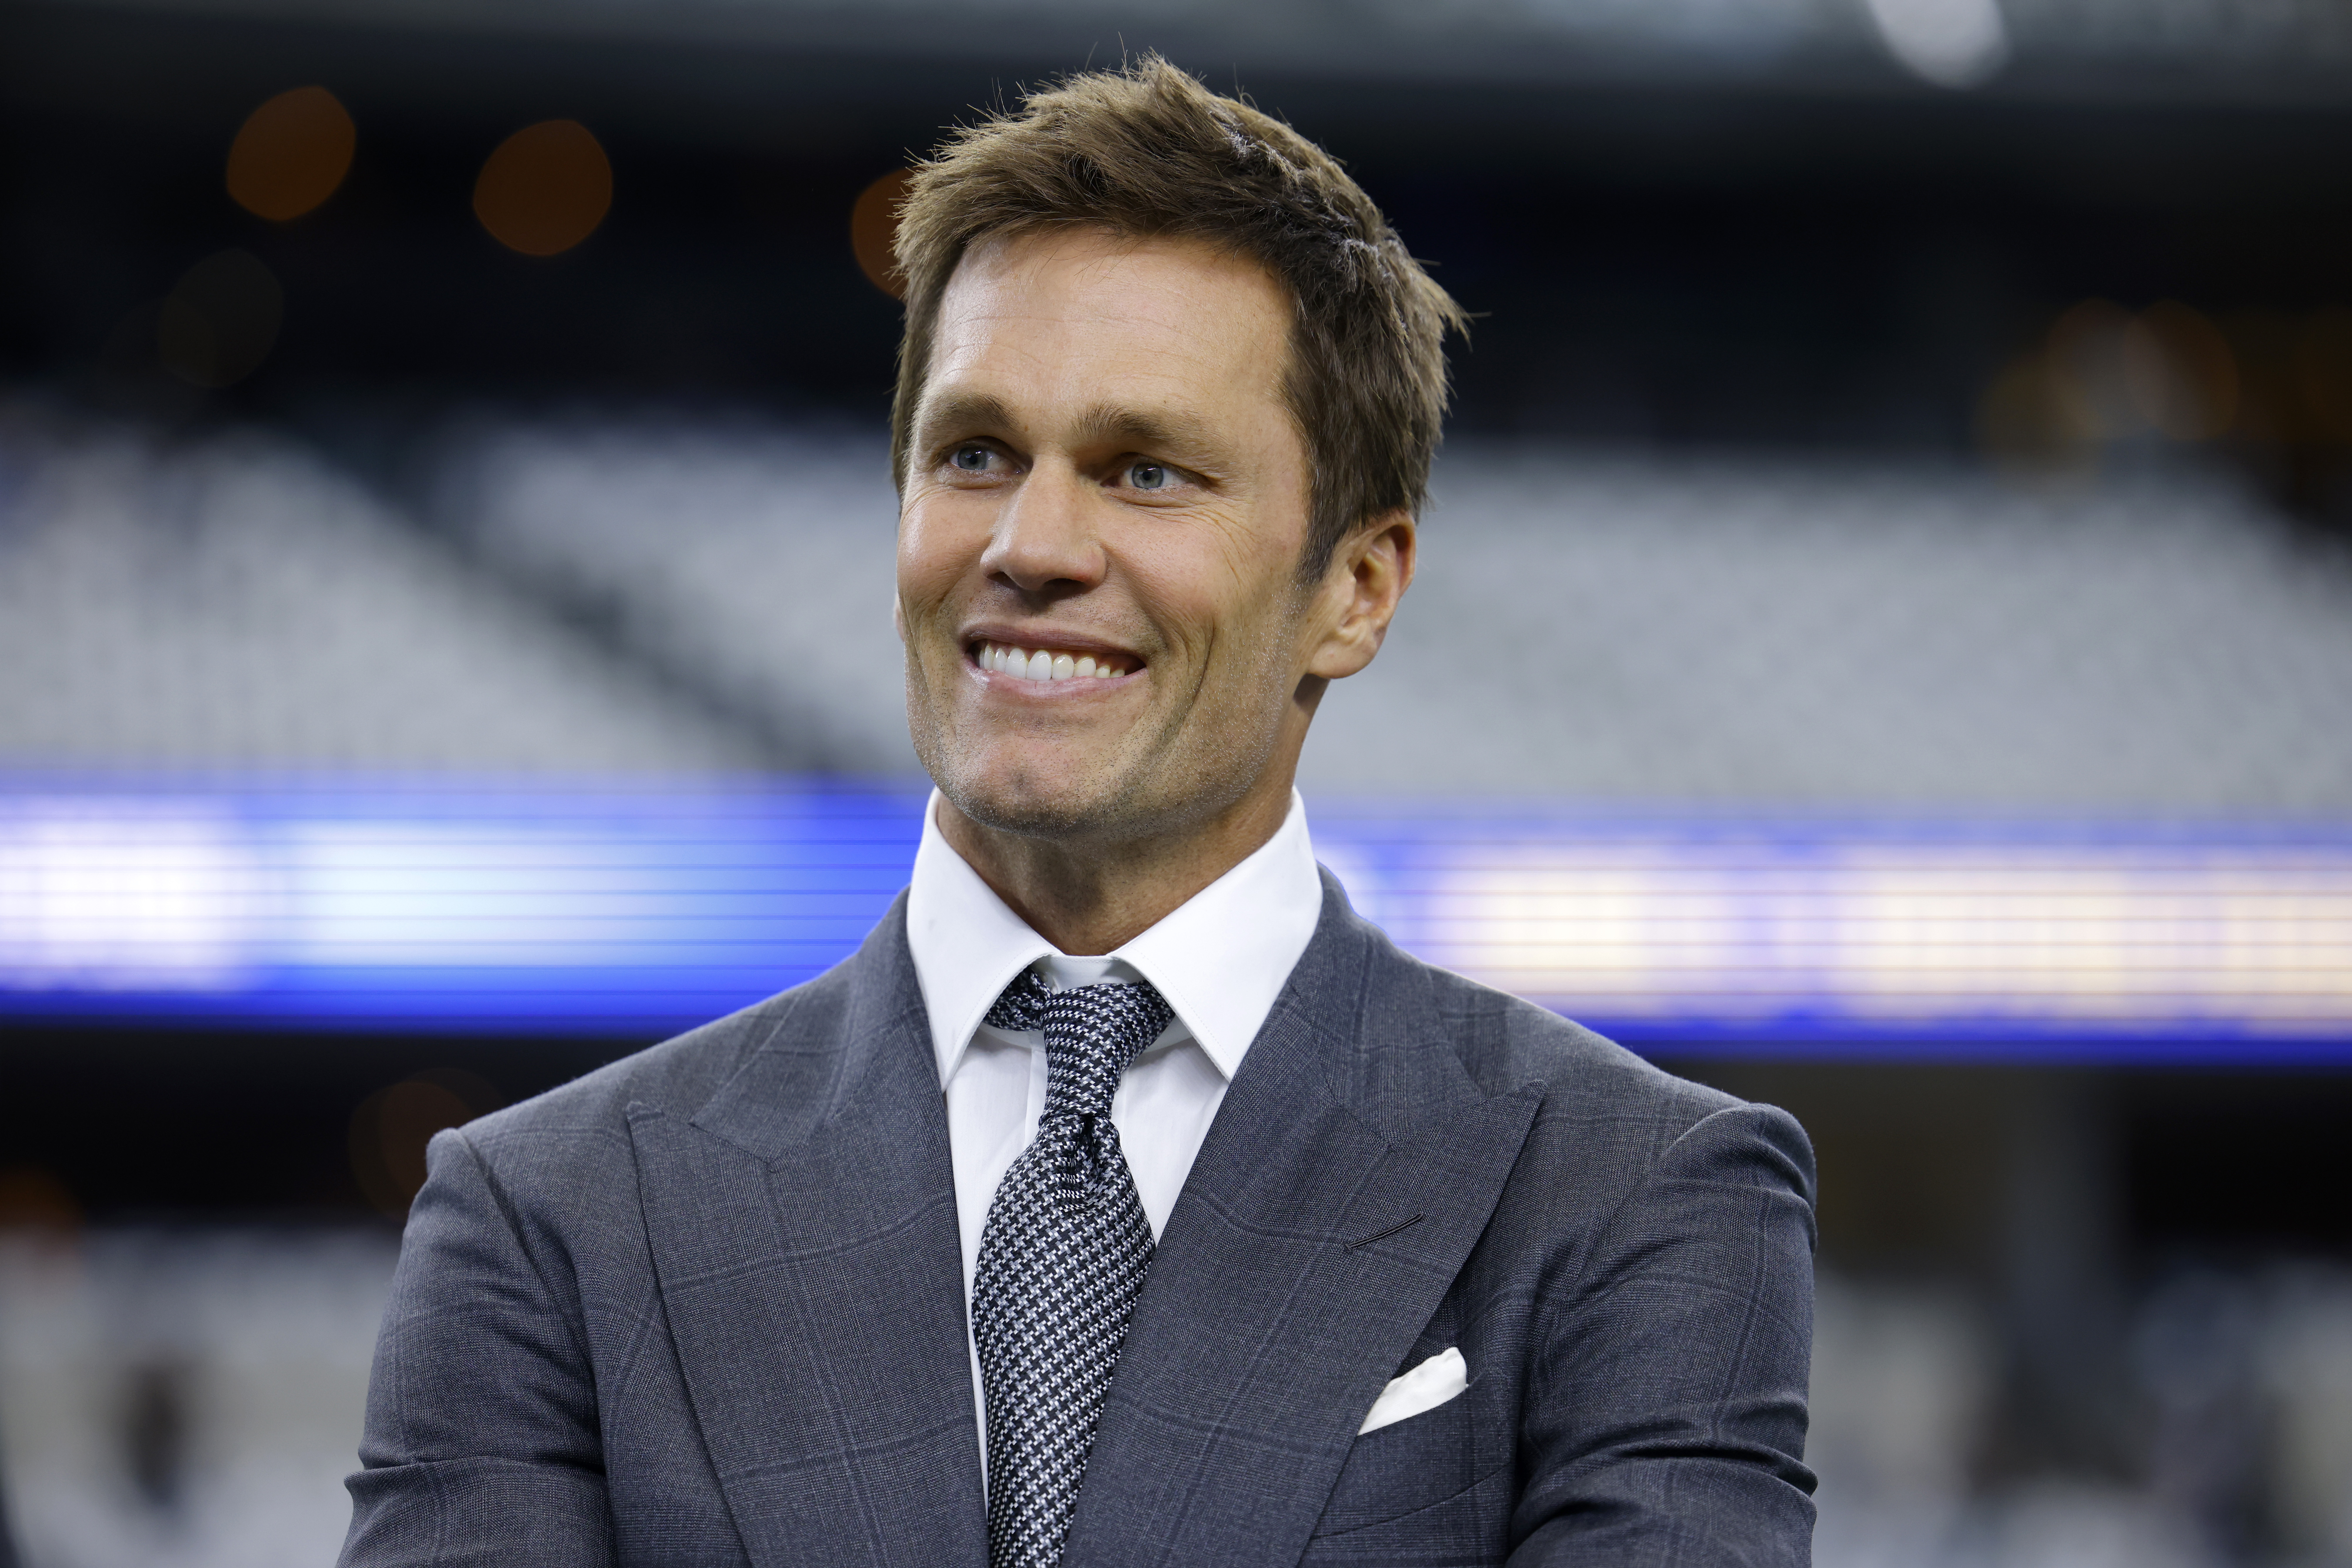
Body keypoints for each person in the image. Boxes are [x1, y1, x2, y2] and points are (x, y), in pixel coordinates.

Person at [339, 57, 1817, 1568]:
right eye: (975, 455)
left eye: (1145, 472)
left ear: (1356, 589)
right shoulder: (546, 1218)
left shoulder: (1638, 1198)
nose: (1031, 544)